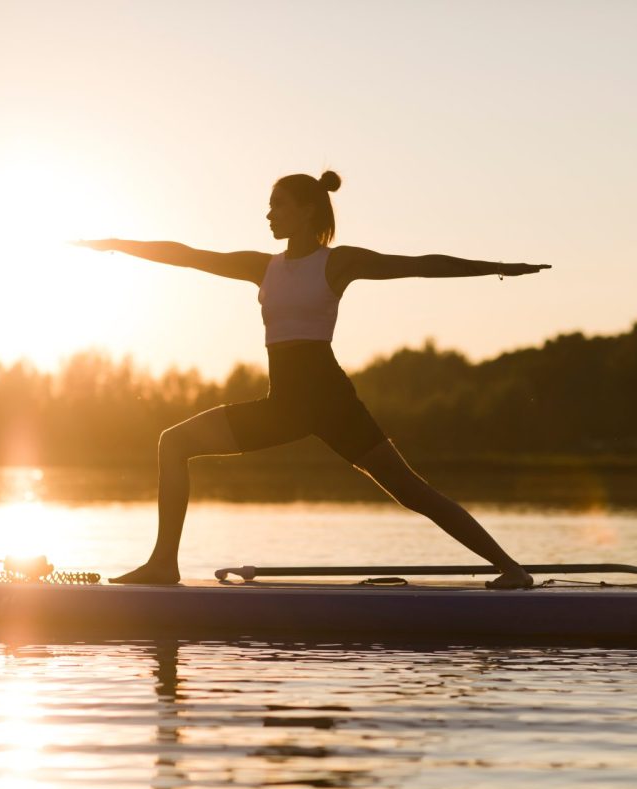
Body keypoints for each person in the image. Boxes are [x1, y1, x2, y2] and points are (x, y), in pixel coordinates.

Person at [74, 171, 550, 588]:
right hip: (282, 406)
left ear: (304, 210)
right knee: (173, 443)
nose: (268, 214)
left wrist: (499, 268)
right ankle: (162, 564)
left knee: (412, 491)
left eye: (277, 204)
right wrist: (118, 243)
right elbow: (189, 254)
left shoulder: (338, 262)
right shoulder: (263, 266)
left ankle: (512, 569)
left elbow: (420, 265)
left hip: (330, 402)